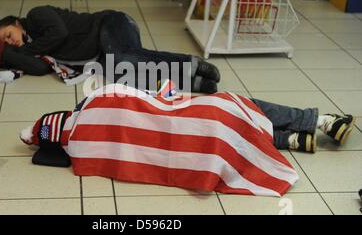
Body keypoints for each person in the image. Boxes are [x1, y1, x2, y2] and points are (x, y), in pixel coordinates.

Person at [19, 83, 356, 196]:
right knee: (239, 106)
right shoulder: (95, 100)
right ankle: (321, 121)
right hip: (195, 118)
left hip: (198, 148)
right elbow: (144, 96)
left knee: (229, 136)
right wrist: (171, 96)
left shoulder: (82, 155)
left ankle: (293, 140)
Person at [0, 6, 222, 93]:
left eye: (9, 35)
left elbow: (60, 33)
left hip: (112, 23)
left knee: (123, 58)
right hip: (103, 50)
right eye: (6, 42)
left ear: (17, 23)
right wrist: (9, 55)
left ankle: (191, 64)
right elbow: (41, 68)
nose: (11, 42)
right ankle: (195, 83)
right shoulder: (35, 47)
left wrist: (25, 51)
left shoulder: (36, 16)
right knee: (122, 74)